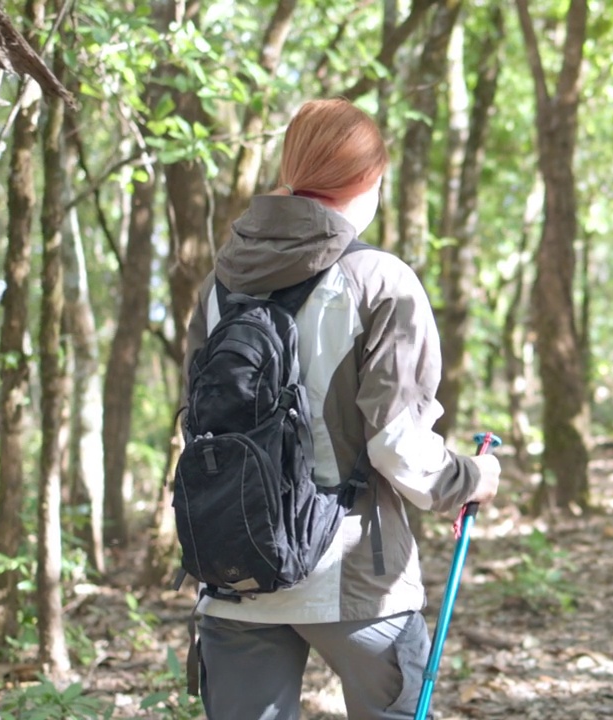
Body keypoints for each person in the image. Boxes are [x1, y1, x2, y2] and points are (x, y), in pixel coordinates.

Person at [185, 98, 501, 720]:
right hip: (354, 576)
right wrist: (470, 478)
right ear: (369, 179)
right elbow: (397, 443)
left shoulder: (220, 286)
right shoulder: (379, 280)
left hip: (234, 569)